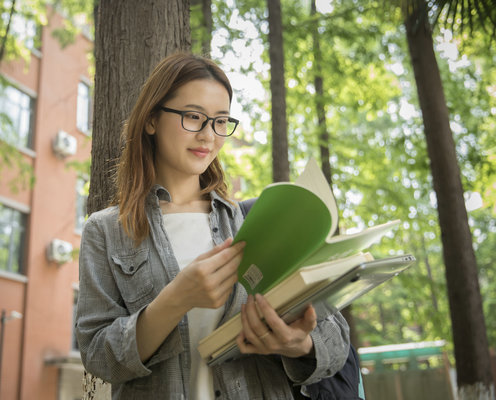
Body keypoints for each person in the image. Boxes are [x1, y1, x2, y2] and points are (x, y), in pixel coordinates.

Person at [75, 52, 350, 400]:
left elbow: (336, 341)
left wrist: (300, 344)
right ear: (151, 120)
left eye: (220, 121)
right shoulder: (106, 230)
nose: (208, 135)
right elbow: (98, 356)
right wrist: (175, 300)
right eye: (193, 117)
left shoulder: (253, 221)